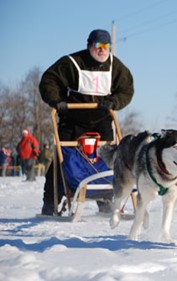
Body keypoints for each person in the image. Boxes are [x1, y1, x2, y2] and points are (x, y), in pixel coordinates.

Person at [39, 29, 134, 215]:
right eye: (98, 46)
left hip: (102, 120)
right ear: (90, 45)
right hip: (73, 119)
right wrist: (57, 101)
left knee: (106, 160)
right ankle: (51, 201)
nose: (102, 50)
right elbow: (49, 80)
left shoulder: (116, 67)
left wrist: (114, 102)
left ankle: (105, 201)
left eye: (106, 46)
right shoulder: (73, 62)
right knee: (62, 159)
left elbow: (126, 90)